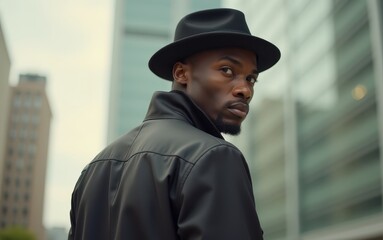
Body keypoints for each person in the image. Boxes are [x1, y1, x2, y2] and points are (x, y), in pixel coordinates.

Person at [68, 8, 280, 240]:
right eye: (227, 70)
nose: (245, 90)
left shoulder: (94, 169)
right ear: (181, 74)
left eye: (251, 78)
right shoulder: (214, 157)